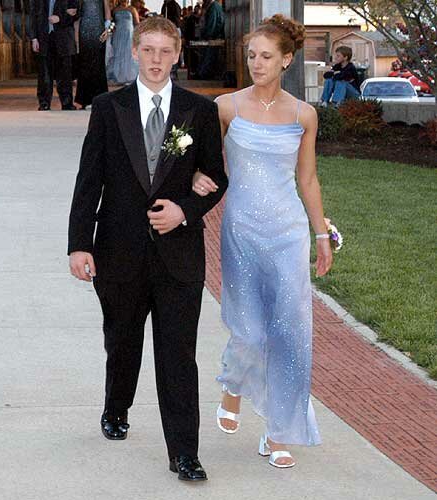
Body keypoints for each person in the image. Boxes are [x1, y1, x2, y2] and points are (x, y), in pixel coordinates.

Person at [68, 16, 228, 481]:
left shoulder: (199, 110)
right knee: (122, 341)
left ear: (177, 55)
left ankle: (184, 453)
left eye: (165, 51)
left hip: (179, 254)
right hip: (118, 251)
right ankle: (116, 406)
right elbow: (89, 180)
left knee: (178, 355)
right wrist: (79, 245)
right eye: (148, 50)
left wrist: (184, 210)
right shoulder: (108, 107)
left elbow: (216, 178)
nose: (156, 60)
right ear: (134, 52)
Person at [192, 14, 333, 468]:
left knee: (290, 333)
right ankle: (233, 384)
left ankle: (279, 432)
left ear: (286, 60)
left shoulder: (303, 115)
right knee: (250, 330)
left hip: (288, 233)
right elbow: (205, 164)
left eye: (266, 56)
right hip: (242, 232)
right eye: (251, 55)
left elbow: (307, 179)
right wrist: (192, 179)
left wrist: (321, 233)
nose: (256, 63)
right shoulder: (226, 108)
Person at [29, 0, 78, 110]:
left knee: (65, 72)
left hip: (63, 37)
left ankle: (67, 102)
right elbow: (33, 15)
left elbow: (76, 14)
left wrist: (60, 18)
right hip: (44, 37)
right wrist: (34, 38)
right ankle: (44, 103)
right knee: (44, 73)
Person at [75, 0, 112, 109]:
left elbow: (107, 11)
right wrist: (76, 38)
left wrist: (107, 29)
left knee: (98, 63)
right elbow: (77, 16)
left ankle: (100, 99)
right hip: (84, 30)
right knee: (85, 63)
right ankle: (85, 100)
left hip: (99, 31)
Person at [107, 0, 140, 84]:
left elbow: (137, 23)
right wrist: (111, 29)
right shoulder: (115, 10)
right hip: (118, 33)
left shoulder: (132, 9)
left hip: (129, 34)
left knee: (128, 53)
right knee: (118, 52)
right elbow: (112, 22)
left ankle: (129, 75)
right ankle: (117, 75)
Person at [197, 0, 224, 79]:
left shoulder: (213, 7)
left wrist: (207, 35)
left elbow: (212, 24)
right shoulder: (215, 6)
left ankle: (204, 74)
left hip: (213, 38)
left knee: (209, 57)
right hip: (213, 36)